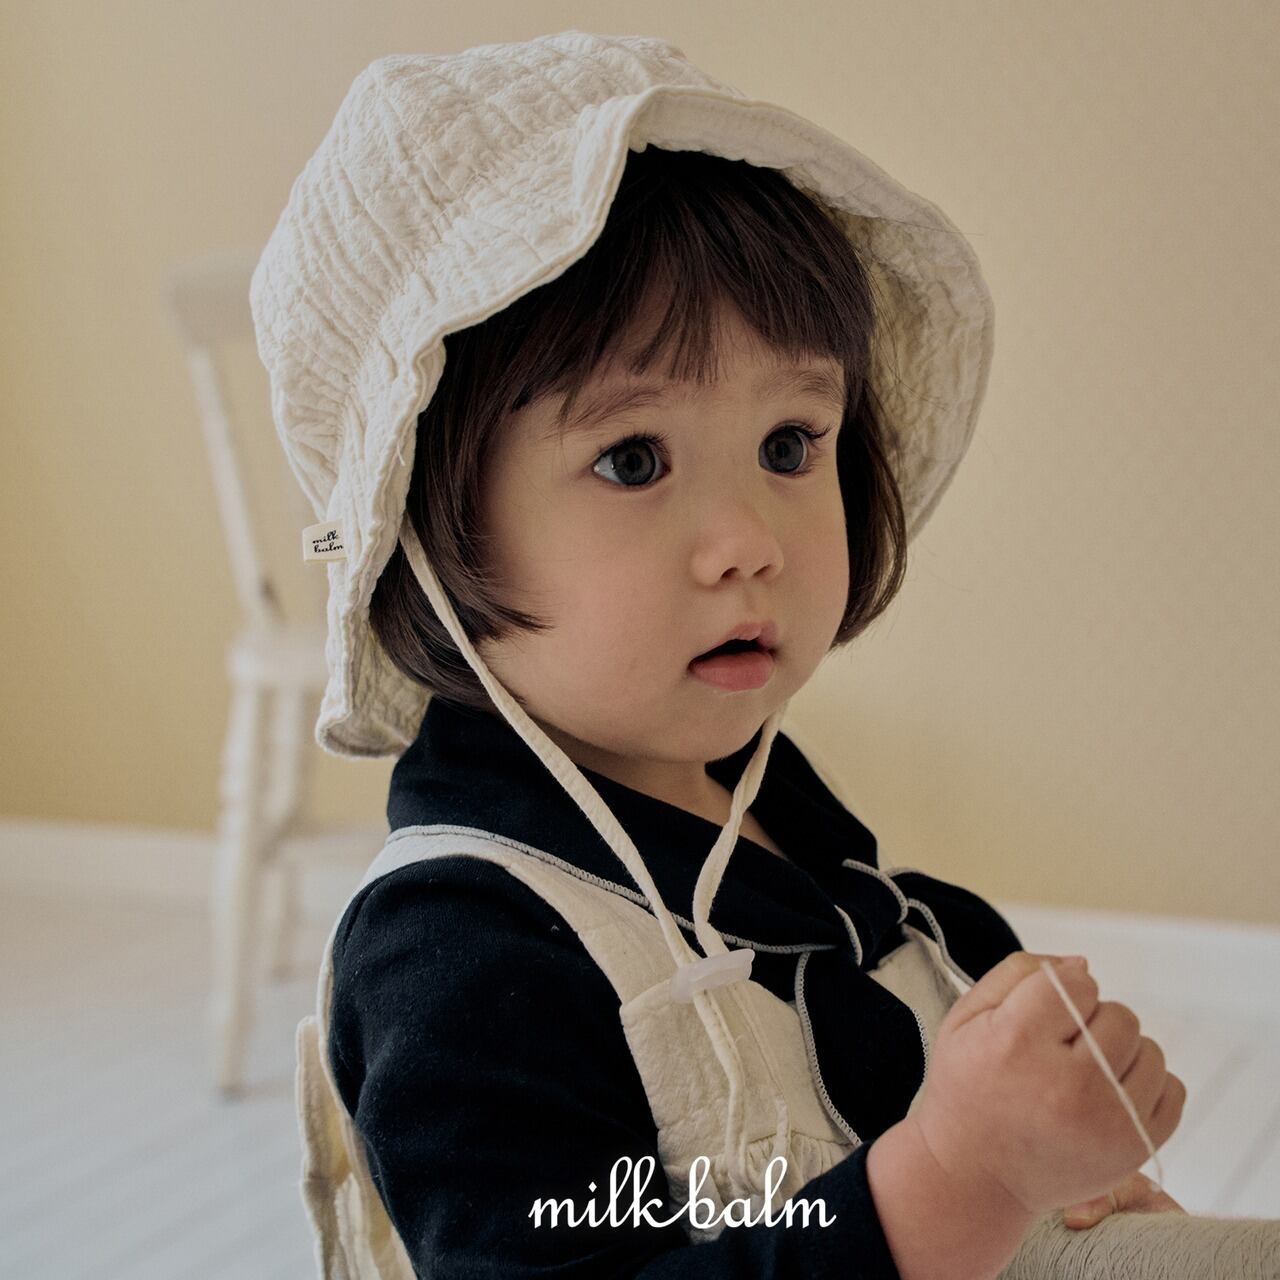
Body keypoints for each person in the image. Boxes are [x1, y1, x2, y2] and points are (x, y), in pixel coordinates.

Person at [252, 31, 1195, 1280]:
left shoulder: (816, 853)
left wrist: (1061, 1182)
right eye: (633, 458)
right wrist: (952, 1177)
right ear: (427, 533)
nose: (749, 540)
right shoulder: (460, 959)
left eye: (789, 443)